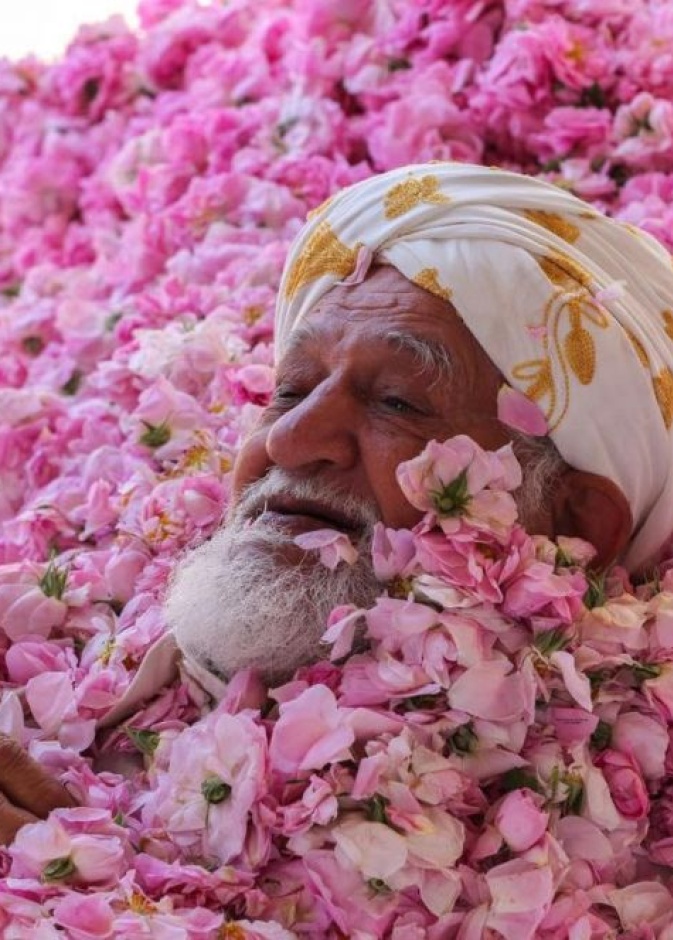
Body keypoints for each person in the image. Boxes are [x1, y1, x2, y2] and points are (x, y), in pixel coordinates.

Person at [1, 161, 672, 844]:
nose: (291, 442)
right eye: (290, 389)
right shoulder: (36, 627)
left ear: (575, 527)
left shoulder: (573, 854)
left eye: (396, 402)